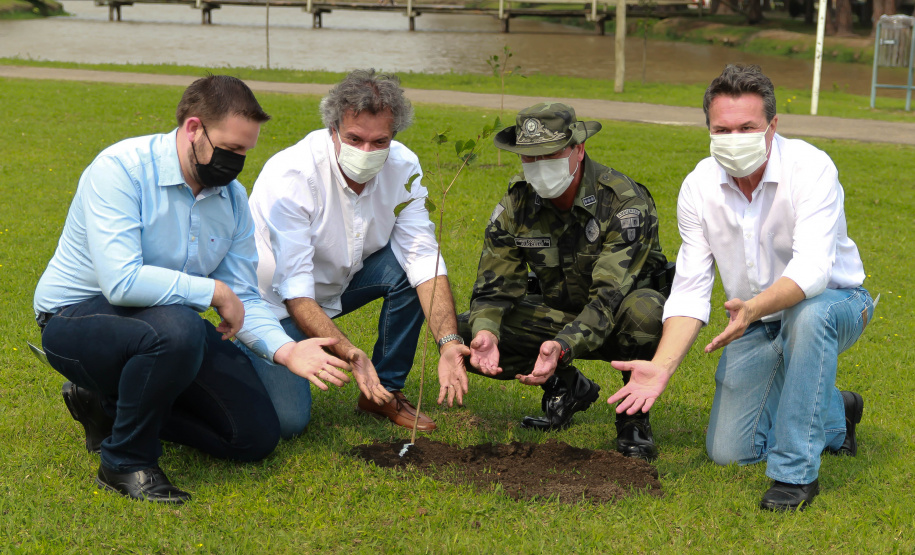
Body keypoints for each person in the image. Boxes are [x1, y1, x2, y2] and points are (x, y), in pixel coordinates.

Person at [33, 75, 350, 505]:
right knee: (178, 328)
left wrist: (285, 350)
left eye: (245, 152)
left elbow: (244, 298)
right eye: (232, 148)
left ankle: (107, 405)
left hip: (162, 329)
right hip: (75, 319)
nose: (237, 163)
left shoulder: (233, 200)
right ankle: (124, 462)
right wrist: (213, 291)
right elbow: (122, 282)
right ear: (194, 129)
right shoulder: (120, 169)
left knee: (255, 435)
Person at [608, 64, 873, 511]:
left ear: (772, 126)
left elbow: (811, 272)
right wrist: (663, 365)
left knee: (808, 317)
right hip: (754, 320)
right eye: (722, 129)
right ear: (708, 130)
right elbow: (691, 287)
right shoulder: (697, 187)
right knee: (729, 452)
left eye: (747, 127)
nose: (734, 138)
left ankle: (794, 476)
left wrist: (751, 309)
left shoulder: (811, 168)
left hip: (835, 303)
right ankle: (835, 409)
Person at [245, 69, 469, 438]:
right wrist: (351, 352)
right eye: (354, 138)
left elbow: (423, 258)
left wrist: (449, 342)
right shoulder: (293, 175)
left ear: (394, 135)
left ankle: (384, 392)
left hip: (339, 284)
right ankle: (243, 349)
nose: (366, 151)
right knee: (289, 421)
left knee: (408, 270)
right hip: (275, 302)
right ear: (333, 130)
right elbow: (296, 291)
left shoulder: (403, 166)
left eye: (379, 141)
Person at [459, 102, 673, 461]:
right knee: (464, 331)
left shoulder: (624, 203)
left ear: (578, 149)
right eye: (530, 158)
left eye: (551, 154)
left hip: (619, 320)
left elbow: (608, 298)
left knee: (645, 312)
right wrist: (487, 333)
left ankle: (633, 417)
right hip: (558, 313)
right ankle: (567, 386)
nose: (540, 167)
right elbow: (494, 290)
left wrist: (561, 345)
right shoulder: (516, 206)